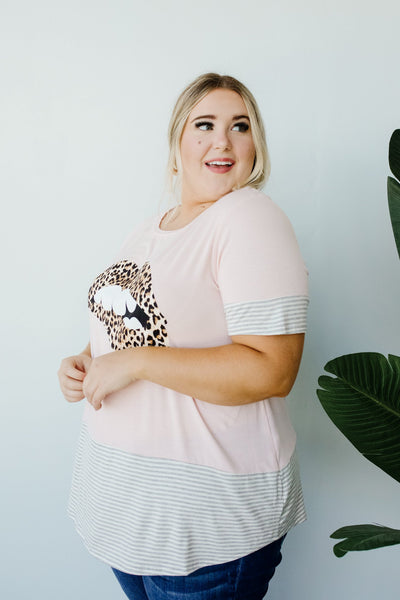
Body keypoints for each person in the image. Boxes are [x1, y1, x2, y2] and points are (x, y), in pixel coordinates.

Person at [58, 72, 309, 600]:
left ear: (255, 146)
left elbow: (273, 369)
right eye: (205, 124)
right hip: (130, 512)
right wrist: (85, 361)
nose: (223, 140)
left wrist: (136, 363)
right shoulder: (151, 228)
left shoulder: (246, 217)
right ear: (177, 144)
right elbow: (128, 332)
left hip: (203, 523)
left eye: (240, 126)